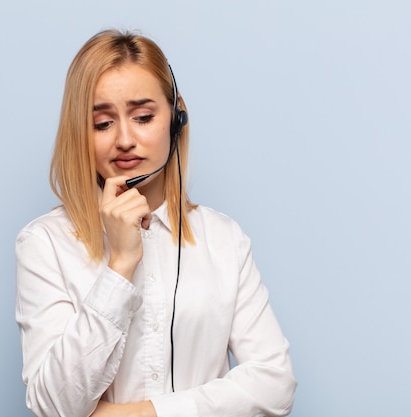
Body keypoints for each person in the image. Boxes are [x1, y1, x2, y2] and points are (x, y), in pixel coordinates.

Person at [15, 29, 297, 417]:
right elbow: (53, 405)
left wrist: (145, 413)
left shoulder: (223, 239)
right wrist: (120, 267)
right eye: (102, 124)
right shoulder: (44, 243)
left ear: (176, 116)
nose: (125, 139)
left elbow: (275, 384)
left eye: (144, 117)